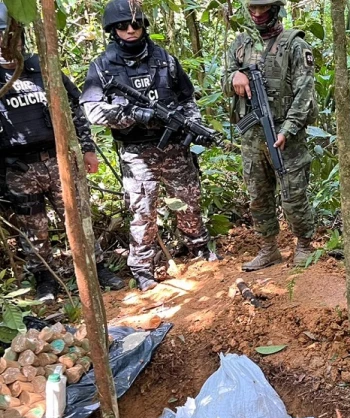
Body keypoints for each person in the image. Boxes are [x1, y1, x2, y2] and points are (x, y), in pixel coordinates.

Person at [81, 0, 216, 292]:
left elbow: (187, 98)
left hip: (175, 148)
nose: (130, 30)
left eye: (136, 24)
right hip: (137, 153)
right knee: (143, 210)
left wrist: (191, 124)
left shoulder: (164, 59)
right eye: (122, 26)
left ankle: (199, 249)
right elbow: (91, 109)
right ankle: (142, 267)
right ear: (112, 30)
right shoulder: (103, 66)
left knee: (189, 201)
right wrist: (131, 114)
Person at [0, 3, 123, 303]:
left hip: (59, 160)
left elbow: (75, 110)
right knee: (33, 229)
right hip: (18, 168)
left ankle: (96, 269)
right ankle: (46, 279)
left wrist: (87, 149)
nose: (5, 41)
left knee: (78, 217)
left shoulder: (42, 67)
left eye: (8, 34)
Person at [225, 0, 318, 271]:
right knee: (258, 194)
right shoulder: (241, 44)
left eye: (262, 9)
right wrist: (234, 78)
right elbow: (224, 80)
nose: (256, 14)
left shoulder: (295, 45)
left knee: (293, 194)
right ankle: (269, 248)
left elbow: (305, 93)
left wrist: (287, 129)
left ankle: (303, 245)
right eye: (252, 9)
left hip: (285, 134)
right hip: (252, 134)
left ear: (275, 9)